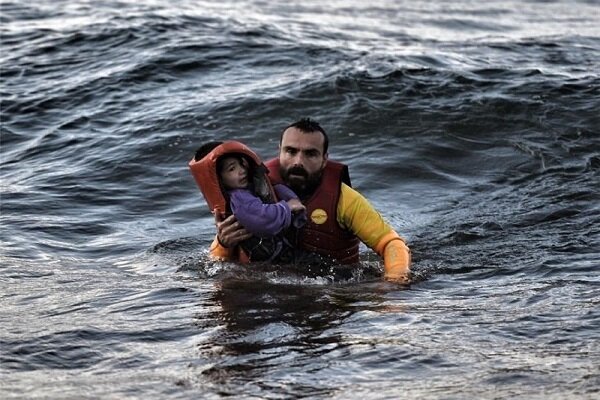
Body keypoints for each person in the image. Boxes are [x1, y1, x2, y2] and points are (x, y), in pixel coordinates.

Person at [209, 118, 412, 283]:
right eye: (290, 151)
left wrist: (394, 284)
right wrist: (223, 243)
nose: (298, 161)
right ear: (279, 150)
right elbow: (216, 261)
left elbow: (391, 244)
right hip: (266, 292)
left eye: (310, 154)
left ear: (325, 159)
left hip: (331, 292)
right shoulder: (251, 192)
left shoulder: (344, 199)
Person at [189, 140, 307, 262]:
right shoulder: (239, 198)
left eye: (242, 164)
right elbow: (262, 219)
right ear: (219, 179)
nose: (242, 170)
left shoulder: (256, 184)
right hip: (265, 262)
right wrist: (287, 207)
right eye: (232, 169)